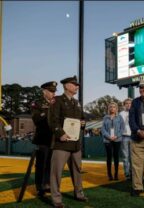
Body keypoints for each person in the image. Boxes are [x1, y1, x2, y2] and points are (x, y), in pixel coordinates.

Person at [49, 76, 88, 208]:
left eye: (77, 84)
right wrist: (60, 134)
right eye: (74, 84)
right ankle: (56, 199)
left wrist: (83, 123)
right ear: (66, 85)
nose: (77, 86)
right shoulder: (57, 100)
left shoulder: (77, 103)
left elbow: (82, 119)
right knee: (56, 172)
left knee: (77, 170)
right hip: (62, 143)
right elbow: (52, 120)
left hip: (75, 143)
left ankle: (79, 193)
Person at [31, 81, 57, 197]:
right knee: (41, 163)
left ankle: (47, 184)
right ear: (44, 91)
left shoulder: (55, 103)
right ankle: (39, 187)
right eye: (51, 91)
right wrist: (49, 109)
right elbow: (36, 119)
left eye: (54, 91)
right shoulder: (37, 103)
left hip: (54, 138)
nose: (53, 94)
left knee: (51, 164)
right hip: (42, 138)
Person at [101, 102, 124, 181]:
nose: (112, 108)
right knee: (109, 157)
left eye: (114, 107)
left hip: (117, 139)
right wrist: (109, 137)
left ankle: (116, 174)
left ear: (116, 108)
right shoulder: (105, 117)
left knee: (116, 157)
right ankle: (109, 174)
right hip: (107, 140)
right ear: (109, 108)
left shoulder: (119, 117)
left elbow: (122, 129)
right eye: (111, 107)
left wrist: (116, 136)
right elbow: (103, 129)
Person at [119, 98, 133, 180]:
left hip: (133, 137)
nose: (128, 105)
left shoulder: (135, 112)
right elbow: (120, 126)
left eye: (130, 103)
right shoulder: (121, 114)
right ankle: (127, 174)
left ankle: (132, 173)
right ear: (124, 105)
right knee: (125, 157)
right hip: (124, 136)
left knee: (133, 157)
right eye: (126, 103)